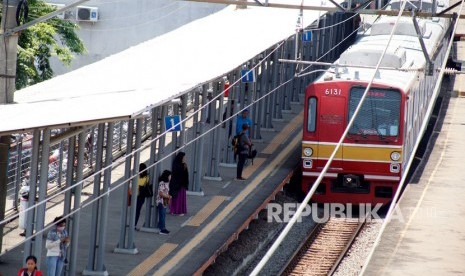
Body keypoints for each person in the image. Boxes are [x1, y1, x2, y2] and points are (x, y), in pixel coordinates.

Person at [135, 163, 151, 230]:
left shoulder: (137, 176)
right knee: (137, 211)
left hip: (136, 195)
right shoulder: (147, 177)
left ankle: (133, 224)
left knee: (136, 211)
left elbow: (139, 183)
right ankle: (134, 224)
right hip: (142, 196)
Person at [157, 170, 172, 235]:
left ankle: (161, 227)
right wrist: (168, 196)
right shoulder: (162, 183)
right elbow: (160, 193)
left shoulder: (167, 183)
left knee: (163, 215)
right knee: (162, 215)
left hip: (164, 201)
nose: (170, 177)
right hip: (161, 201)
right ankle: (162, 229)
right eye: (170, 176)